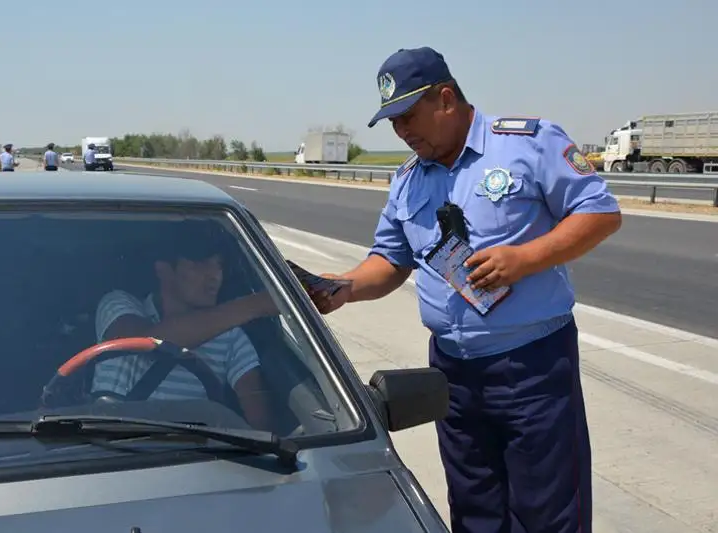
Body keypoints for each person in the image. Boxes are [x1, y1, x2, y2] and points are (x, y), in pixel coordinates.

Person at [308, 46, 622, 533]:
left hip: (532, 366)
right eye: (393, 123)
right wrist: (344, 287)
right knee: (474, 510)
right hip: (452, 373)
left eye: (409, 117)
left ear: (447, 98)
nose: (402, 132)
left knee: (547, 512)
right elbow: (389, 261)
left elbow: (600, 214)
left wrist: (524, 259)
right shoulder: (408, 180)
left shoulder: (526, 145)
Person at [91, 221, 278, 431]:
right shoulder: (119, 305)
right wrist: (257, 304)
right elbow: (144, 343)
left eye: (219, 264)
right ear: (164, 270)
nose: (215, 275)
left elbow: (259, 421)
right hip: (106, 450)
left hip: (188, 454)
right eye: (200, 264)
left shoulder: (231, 337)